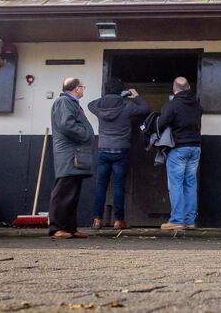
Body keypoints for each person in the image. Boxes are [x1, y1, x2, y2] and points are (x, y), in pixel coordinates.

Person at [88, 77, 150, 230]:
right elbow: (145, 108)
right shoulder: (127, 105)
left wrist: (108, 96)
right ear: (121, 91)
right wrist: (134, 95)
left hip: (103, 149)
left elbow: (89, 104)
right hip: (121, 150)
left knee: (101, 186)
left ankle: (97, 220)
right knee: (118, 186)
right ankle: (118, 221)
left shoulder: (99, 106)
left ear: (107, 90)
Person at [49, 77, 95, 238]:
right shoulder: (64, 102)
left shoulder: (70, 103)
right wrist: (86, 134)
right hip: (69, 154)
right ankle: (57, 228)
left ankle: (70, 228)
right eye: (83, 87)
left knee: (72, 193)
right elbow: (66, 125)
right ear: (76, 89)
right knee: (63, 192)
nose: (83, 89)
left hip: (74, 153)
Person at [158, 76, 203, 231]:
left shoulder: (172, 105)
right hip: (195, 148)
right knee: (190, 184)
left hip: (178, 149)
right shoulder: (197, 106)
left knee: (176, 184)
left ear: (174, 88)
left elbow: (160, 124)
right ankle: (189, 221)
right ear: (189, 88)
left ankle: (177, 220)